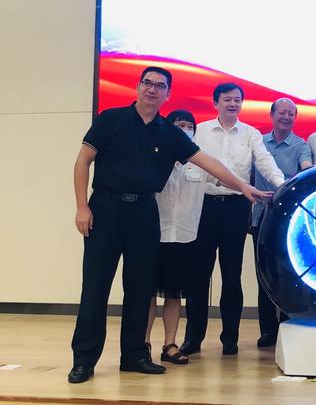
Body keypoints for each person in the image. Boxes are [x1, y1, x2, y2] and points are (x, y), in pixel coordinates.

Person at [69, 67, 268, 384]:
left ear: (168, 93)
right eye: (147, 83)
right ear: (138, 87)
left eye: (159, 86)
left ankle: (134, 356)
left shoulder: (170, 133)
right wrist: (82, 206)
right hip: (105, 209)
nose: (152, 89)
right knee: (95, 287)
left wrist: (243, 187)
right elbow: (83, 160)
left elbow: (210, 164)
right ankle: (83, 360)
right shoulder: (111, 119)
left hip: (145, 212)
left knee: (140, 289)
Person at [181, 83, 285, 357]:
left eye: (237, 100)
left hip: (236, 208)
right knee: (198, 275)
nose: (233, 104)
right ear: (215, 102)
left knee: (232, 275)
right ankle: (193, 338)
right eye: (227, 99)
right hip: (203, 206)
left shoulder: (250, 133)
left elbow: (265, 162)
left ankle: (230, 338)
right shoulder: (200, 130)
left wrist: (282, 185)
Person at [251, 98, 312, 348]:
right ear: (272, 115)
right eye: (282, 113)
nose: (286, 117)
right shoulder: (258, 143)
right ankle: (267, 330)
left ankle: (289, 325)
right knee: (263, 273)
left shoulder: (301, 145)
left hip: (290, 218)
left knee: (290, 273)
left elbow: (307, 169)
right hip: (261, 215)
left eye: (291, 114)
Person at [145, 109, 204, 366]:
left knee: (174, 294)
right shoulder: (154, 156)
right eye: (180, 125)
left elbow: (220, 182)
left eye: (190, 126)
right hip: (154, 234)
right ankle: (143, 342)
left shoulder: (200, 163)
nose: (185, 130)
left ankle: (170, 344)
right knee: (146, 292)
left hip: (184, 236)